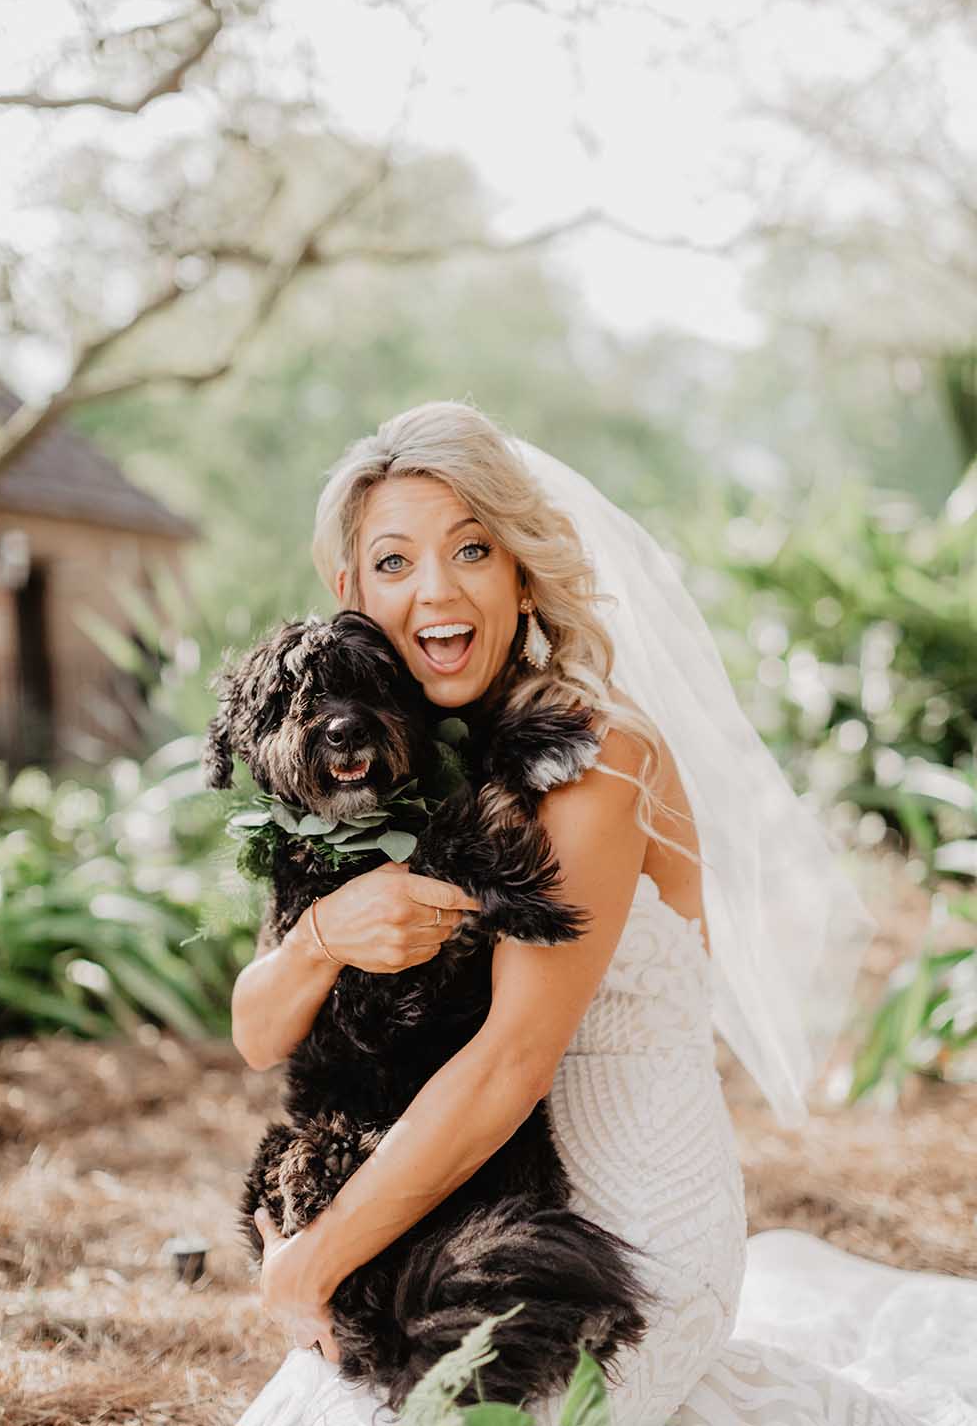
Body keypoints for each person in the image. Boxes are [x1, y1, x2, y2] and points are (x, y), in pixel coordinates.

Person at [231, 403, 977, 1426]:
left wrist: (311, 1263)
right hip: (465, 1211)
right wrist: (324, 931)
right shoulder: (378, 769)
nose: (437, 590)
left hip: (631, 1223)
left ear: (522, 571)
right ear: (352, 592)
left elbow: (510, 1062)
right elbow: (258, 1029)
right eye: (396, 562)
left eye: (472, 550)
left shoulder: (593, 755)